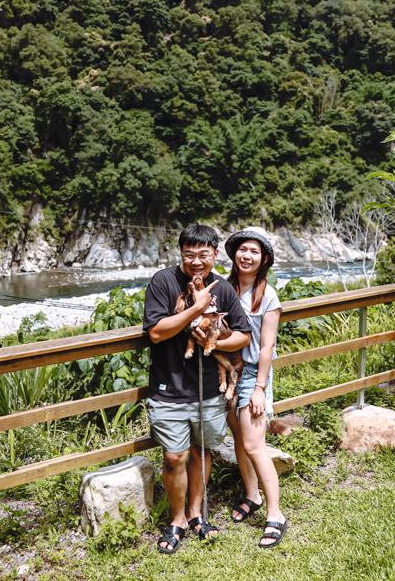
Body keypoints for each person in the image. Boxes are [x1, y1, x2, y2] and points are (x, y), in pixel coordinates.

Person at [143, 224, 252, 554]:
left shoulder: (224, 288)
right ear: (181, 254)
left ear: (215, 255)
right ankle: (176, 519)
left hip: (209, 391)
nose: (196, 261)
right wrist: (196, 307)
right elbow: (156, 332)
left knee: (201, 452)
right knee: (174, 456)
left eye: (204, 254)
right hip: (170, 387)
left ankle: (195, 514)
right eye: (189, 254)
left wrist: (212, 341)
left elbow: (244, 335)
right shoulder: (163, 282)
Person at [224, 227, 288, 548]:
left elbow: (267, 347)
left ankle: (276, 514)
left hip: (252, 375)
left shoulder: (268, 296)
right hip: (227, 372)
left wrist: (260, 388)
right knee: (239, 437)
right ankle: (253, 495)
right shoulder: (224, 288)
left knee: (254, 445)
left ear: (263, 259)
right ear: (234, 253)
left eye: (254, 251)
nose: (246, 256)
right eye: (242, 249)